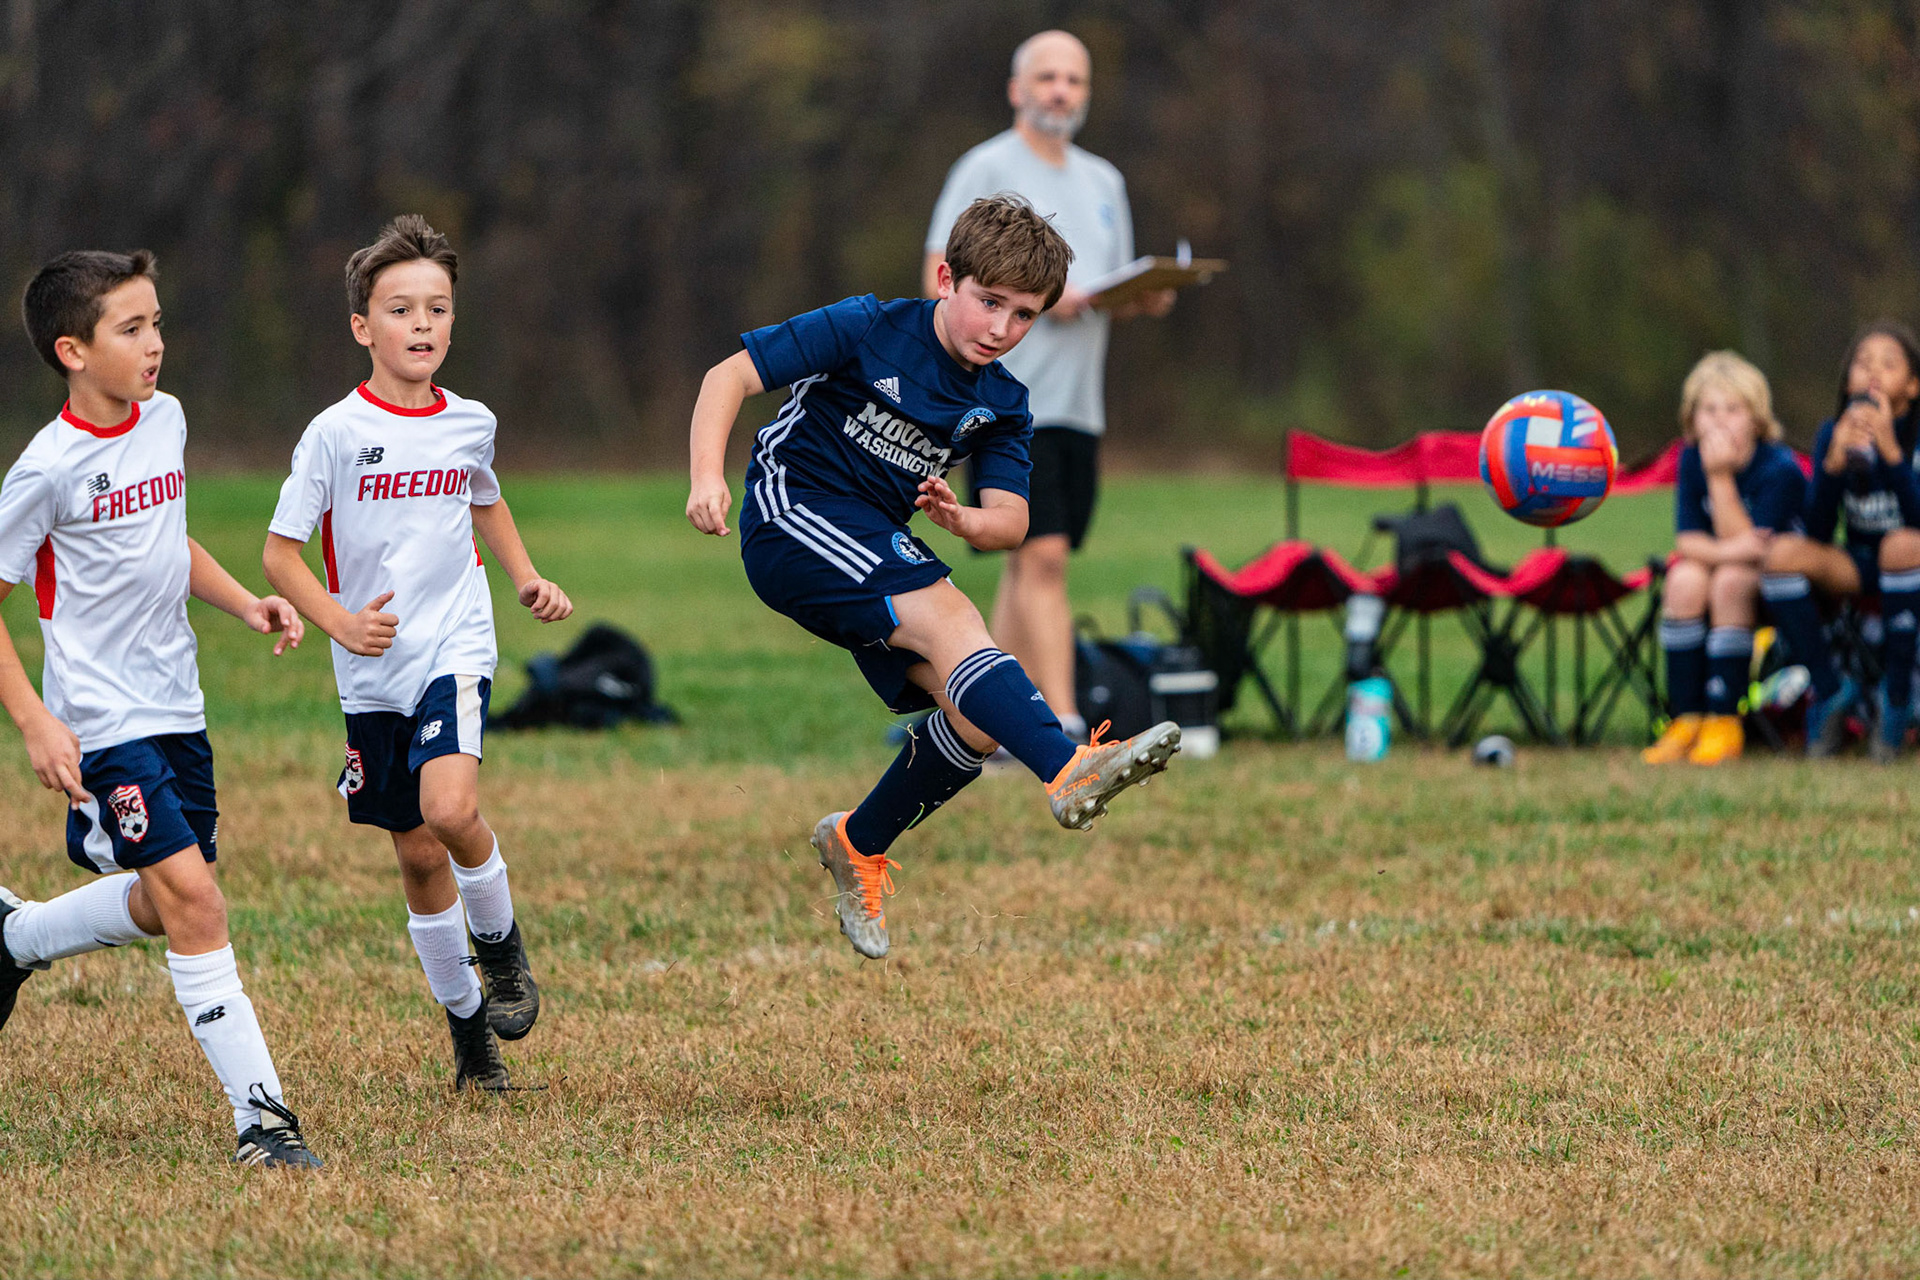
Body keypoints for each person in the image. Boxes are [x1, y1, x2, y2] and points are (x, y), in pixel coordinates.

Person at [686, 194, 1181, 961]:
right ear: (947, 278)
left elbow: (1011, 521)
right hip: (792, 514)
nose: (1000, 329)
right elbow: (729, 376)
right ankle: (1069, 769)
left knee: (980, 712)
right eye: (989, 303)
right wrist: (706, 478)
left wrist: (966, 522)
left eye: (1023, 315)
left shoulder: (1005, 404)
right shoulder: (868, 325)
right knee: (955, 626)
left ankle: (859, 840)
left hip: (877, 538)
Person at [0, 250, 321, 1168]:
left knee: (160, 900)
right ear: (72, 350)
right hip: (99, 722)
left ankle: (16, 937)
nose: (155, 346)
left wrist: (243, 601)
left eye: (157, 323)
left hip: (176, 704)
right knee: (197, 902)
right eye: (130, 329)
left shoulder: (165, 420)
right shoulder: (46, 470)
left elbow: (164, 541)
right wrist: (35, 720)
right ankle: (264, 1122)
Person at [263, 216, 573, 1091]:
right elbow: (280, 554)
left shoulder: (469, 420)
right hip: (369, 669)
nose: (424, 324)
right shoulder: (332, 434)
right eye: (402, 309)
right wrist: (339, 622)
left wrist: (523, 577)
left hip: (452, 643)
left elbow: (486, 501)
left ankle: (503, 951)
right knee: (416, 855)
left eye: (438, 307)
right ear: (364, 328)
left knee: (449, 808)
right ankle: (470, 1038)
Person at [924, 30, 1176, 742]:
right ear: (1017, 89)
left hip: (1078, 404)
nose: (1060, 90)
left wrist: (1143, 296)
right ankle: (1064, 727)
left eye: (1074, 79)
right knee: (1044, 557)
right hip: (1005, 402)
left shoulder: (1104, 182)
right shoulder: (984, 167)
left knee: (1024, 563)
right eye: (1047, 77)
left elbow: (1109, 286)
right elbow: (936, 278)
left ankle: (974, 725)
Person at [1761, 322, 1920, 760]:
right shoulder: (1834, 432)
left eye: (1888, 364)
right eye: (1862, 362)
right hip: (1862, 563)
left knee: (1900, 545)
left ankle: (1898, 696)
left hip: (1911, 562)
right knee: (1781, 555)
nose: (1872, 373)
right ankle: (1830, 689)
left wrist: (1891, 453)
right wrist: (1830, 466)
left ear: (1912, 384)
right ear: (1847, 378)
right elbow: (1816, 532)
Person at [1643, 352, 1806, 766]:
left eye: (1733, 410)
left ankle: (1724, 717)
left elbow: (1755, 551)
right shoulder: (1691, 458)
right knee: (1683, 580)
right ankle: (1685, 718)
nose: (1719, 421)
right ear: (1692, 418)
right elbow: (1689, 541)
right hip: (1721, 566)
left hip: (1779, 585)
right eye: (1708, 409)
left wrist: (1719, 478)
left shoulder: (1780, 468)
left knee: (1729, 580)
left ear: (1756, 418)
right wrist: (1726, 550)